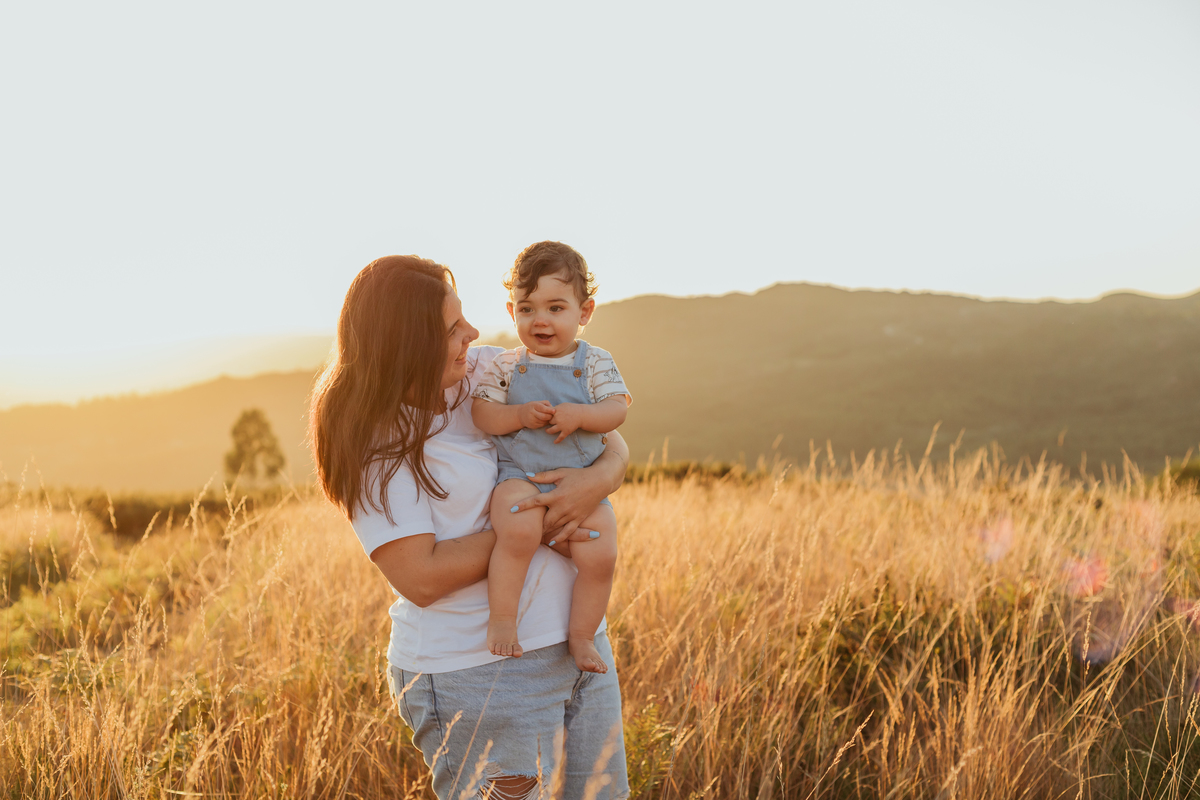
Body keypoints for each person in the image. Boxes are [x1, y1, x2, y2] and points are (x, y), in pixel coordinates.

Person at [309, 255, 630, 800]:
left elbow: (605, 437)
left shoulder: (484, 373)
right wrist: (540, 521)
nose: (474, 333)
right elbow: (421, 577)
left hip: (578, 651)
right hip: (480, 677)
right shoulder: (375, 446)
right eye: (453, 328)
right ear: (407, 345)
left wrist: (600, 478)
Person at [472, 242, 630, 674]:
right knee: (518, 530)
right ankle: (503, 621)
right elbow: (482, 413)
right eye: (527, 309)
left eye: (556, 308)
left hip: (581, 480)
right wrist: (518, 414)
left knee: (602, 555)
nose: (540, 320)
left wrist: (583, 415)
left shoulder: (595, 362)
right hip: (519, 474)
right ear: (512, 312)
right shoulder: (507, 365)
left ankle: (582, 636)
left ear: (585, 312)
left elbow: (618, 407)